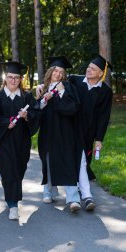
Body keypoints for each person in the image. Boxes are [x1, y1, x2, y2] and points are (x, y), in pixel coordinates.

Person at [0, 61, 38, 220]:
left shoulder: (26, 97)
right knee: (8, 171)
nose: (13, 80)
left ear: (20, 79)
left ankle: (11, 194)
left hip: (22, 141)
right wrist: (6, 123)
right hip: (4, 141)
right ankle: (13, 205)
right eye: (10, 77)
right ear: (5, 78)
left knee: (19, 170)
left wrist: (27, 117)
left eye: (16, 78)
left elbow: (36, 115)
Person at [67, 55, 113, 211]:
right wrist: (41, 86)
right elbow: (56, 81)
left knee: (84, 160)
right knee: (74, 160)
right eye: (88, 67)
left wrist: (99, 138)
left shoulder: (105, 91)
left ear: (101, 73)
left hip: (88, 130)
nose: (88, 69)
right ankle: (80, 194)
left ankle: (80, 190)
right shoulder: (75, 80)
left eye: (93, 68)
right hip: (71, 127)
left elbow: (103, 116)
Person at [36, 56, 82, 212]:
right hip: (48, 131)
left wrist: (61, 93)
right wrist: (43, 100)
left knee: (68, 161)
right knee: (48, 162)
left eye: (61, 72)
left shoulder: (68, 87)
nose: (58, 74)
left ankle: (73, 198)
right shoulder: (42, 88)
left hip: (65, 131)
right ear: (50, 71)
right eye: (56, 70)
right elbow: (36, 111)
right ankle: (48, 192)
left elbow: (73, 109)